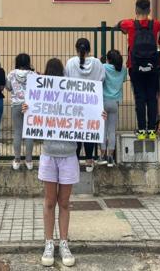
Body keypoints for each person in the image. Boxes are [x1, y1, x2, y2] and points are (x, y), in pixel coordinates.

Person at [26, 58, 106, 267]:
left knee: (61, 202)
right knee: (52, 202)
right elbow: (33, 120)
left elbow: (89, 113)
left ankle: (63, 242)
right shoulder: (41, 94)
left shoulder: (74, 95)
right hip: (50, 155)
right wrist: (29, 110)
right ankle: (48, 243)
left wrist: (99, 116)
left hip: (69, 155)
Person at [118, 0, 160, 141]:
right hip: (152, 67)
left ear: (136, 10)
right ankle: (151, 131)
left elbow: (120, 24)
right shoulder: (156, 24)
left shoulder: (130, 24)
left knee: (139, 98)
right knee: (152, 98)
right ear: (149, 10)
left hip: (135, 66)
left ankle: (141, 130)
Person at [65, 38, 106, 173]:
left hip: (75, 103)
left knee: (76, 131)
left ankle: (75, 160)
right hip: (93, 103)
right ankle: (89, 161)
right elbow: (101, 79)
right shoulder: (97, 63)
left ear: (76, 49)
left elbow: (66, 80)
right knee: (89, 131)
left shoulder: (71, 63)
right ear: (89, 49)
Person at [6, 53, 35, 170]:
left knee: (17, 132)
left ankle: (17, 160)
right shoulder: (33, 74)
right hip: (30, 105)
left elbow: (8, 87)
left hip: (16, 104)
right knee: (29, 132)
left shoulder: (11, 74)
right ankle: (29, 160)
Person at [98, 49, 127, 167]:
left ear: (108, 59)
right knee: (111, 130)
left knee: (102, 130)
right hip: (115, 102)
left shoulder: (104, 67)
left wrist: (100, 60)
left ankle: (102, 156)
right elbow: (124, 80)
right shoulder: (123, 70)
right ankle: (110, 157)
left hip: (103, 101)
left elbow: (100, 76)